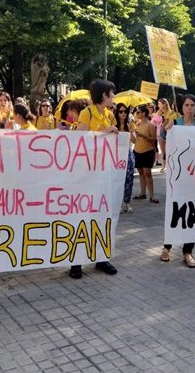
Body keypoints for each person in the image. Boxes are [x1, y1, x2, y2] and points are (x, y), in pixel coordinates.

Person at [69, 79, 119, 279]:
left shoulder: (109, 114)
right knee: (80, 215)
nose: (113, 97)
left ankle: (101, 257)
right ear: (104, 95)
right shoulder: (86, 113)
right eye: (112, 94)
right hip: (85, 173)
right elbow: (81, 139)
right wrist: (105, 132)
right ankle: (76, 261)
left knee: (101, 215)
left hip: (103, 173)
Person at [161, 94, 195, 268]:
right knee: (175, 211)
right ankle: (167, 247)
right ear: (182, 107)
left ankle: (188, 252)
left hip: (194, 176)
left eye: (192, 105)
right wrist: (168, 129)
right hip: (177, 175)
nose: (190, 108)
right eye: (186, 105)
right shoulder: (175, 123)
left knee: (192, 213)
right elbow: (164, 138)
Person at [132, 104, 157, 206]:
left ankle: (152, 195)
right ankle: (142, 193)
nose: (136, 114)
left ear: (144, 113)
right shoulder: (136, 125)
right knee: (141, 173)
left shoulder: (150, 125)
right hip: (137, 151)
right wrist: (130, 133)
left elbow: (153, 139)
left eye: (138, 112)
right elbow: (134, 140)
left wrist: (144, 136)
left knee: (148, 173)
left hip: (148, 151)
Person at [115, 103, 135, 214]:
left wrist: (130, 130)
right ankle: (117, 203)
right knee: (117, 179)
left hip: (127, 153)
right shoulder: (113, 124)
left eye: (125, 111)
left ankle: (127, 203)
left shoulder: (130, 124)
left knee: (129, 179)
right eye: (120, 111)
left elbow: (135, 140)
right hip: (116, 155)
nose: (123, 114)